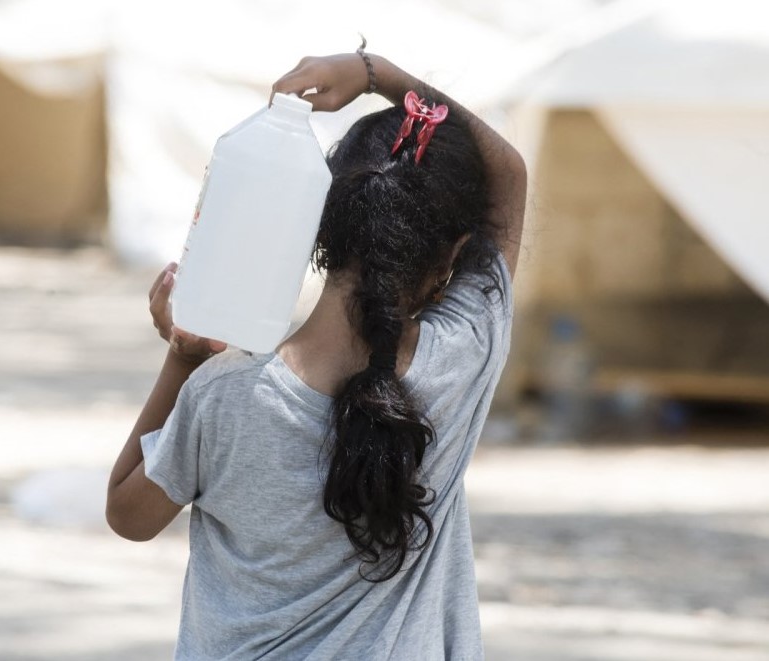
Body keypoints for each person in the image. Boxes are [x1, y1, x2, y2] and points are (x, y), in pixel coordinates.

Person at [106, 49, 526, 660]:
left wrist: (183, 360)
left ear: (320, 223)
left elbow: (128, 513)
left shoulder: (224, 394)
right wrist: (382, 76)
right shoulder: (462, 358)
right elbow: (508, 175)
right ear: (449, 259)